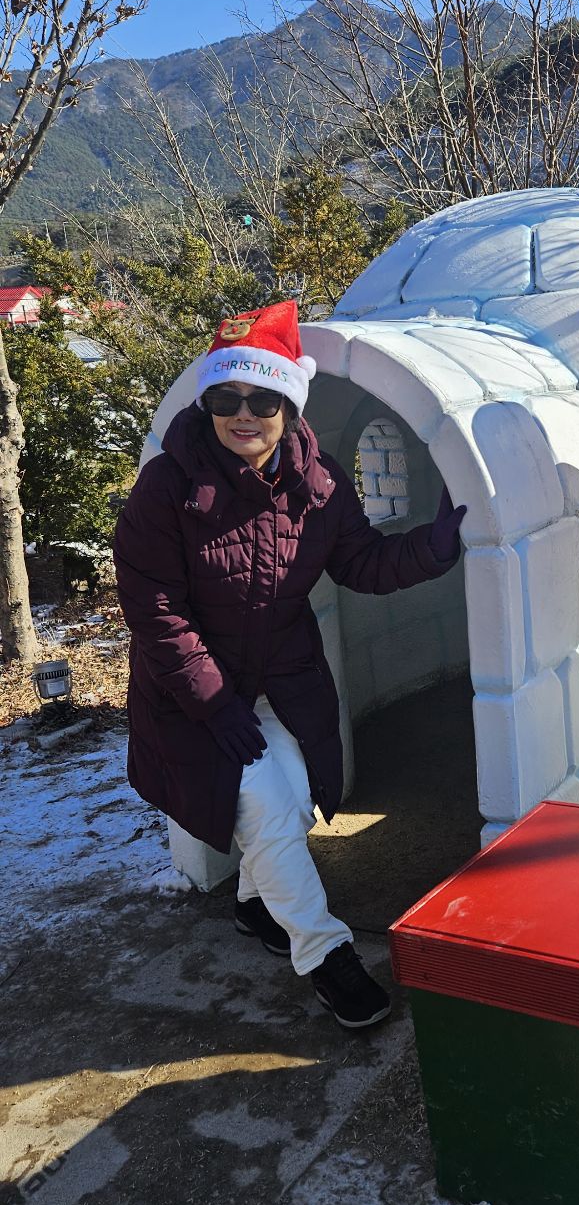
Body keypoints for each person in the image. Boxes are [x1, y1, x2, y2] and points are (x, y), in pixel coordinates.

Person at [113, 301, 467, 1031]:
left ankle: (253, 903)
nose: (244, 415)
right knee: (266, 808)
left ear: (290, 406)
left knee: (297, 797)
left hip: (282, 676)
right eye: (226, 399)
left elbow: (360, 563)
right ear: (208, 403)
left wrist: (432, 549)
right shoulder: (167, 487)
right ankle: (325, 951)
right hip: (195, 692)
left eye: (263, 400)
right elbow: (155, 610)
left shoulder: (319, 482)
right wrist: (215, 704)